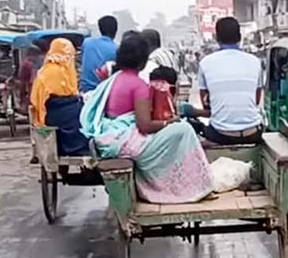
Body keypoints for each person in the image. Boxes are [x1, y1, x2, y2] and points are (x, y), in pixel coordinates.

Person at [80, 34, 213, 203]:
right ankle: (190, 186)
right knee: (184, 129)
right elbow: (145, 126)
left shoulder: (114, 80)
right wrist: (168, 122)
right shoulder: (139, 85)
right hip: (126, 140)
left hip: (112, 137)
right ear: (143, 60)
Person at [184, 17, 264, 145]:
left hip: (220, 135)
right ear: (240, 37)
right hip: (252, 133)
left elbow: (206, 104)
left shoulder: (205, 63)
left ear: (216, 38)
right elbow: (256, 100)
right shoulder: (255, 62)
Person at [31, 38, 91, 156]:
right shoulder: (54, 71)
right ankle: (76, 147)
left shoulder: (52, 70)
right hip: (54, 111)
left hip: (55, 111)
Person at [79, 15, 118, 93]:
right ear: (116, 30)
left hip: (86, 90)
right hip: (104, 92)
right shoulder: (117, 49)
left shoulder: (87, 43)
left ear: (100, 29)